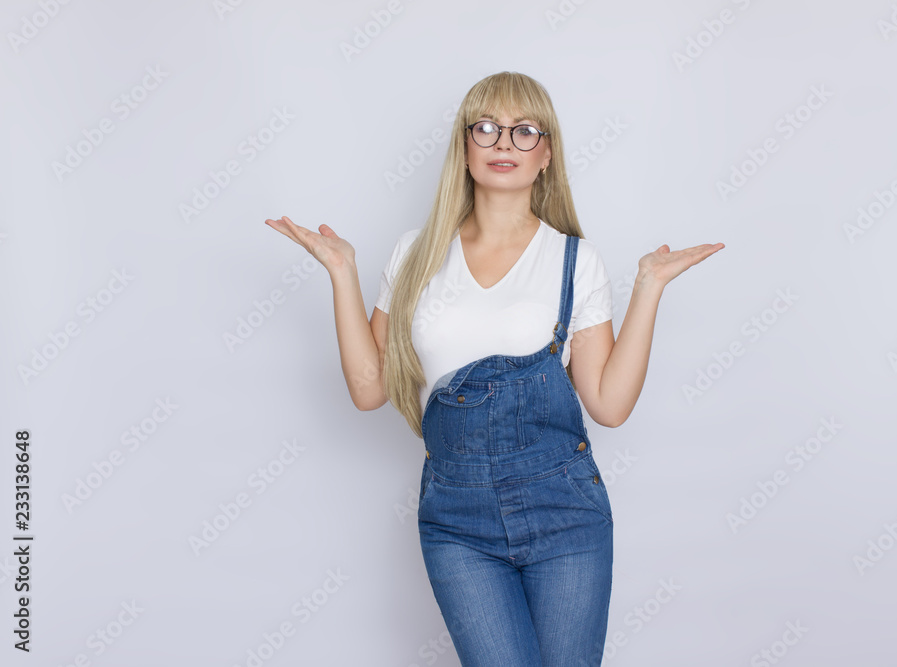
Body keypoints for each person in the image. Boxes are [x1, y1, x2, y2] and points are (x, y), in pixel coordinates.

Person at [265, 71, 723, 666]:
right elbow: (369, 389)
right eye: (486, 128)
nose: (504, 143)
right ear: (464, 147)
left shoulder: (574, 260)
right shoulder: (415, 254)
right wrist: (342, 273)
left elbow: (609, 406)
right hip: (457, 520)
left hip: (564, 512)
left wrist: (649, 286)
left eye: (524, 130)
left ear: (547, 155)